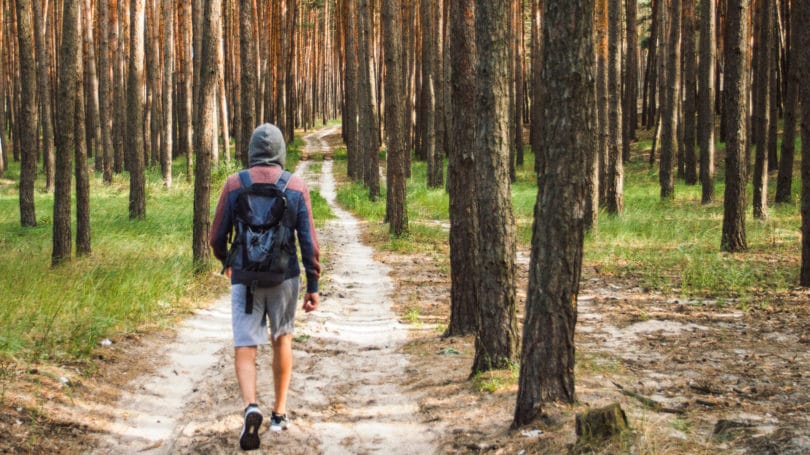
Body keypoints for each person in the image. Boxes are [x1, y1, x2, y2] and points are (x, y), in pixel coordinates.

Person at [209, 123, 321, 451]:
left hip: (245, 277)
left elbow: (216, 236)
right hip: (284, 277)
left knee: (246, 344)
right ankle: (279, 414)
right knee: (282, 339)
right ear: (281, 152)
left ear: (252, 151)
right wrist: (313, 283)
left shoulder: (234, 184)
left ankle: (250, 406)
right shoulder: (295, 185)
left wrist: (228, 261)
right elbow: (308, 241)